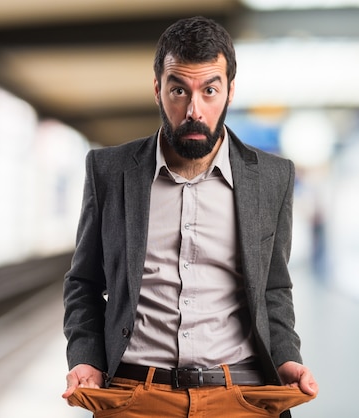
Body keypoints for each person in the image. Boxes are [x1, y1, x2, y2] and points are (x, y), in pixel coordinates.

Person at [61, 16, 318, 418]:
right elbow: (83, 283)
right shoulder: (110, 171)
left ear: (230, 91)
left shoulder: (272, 178)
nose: (193, 109)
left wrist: (286, 357)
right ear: (158, 90)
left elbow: (273, 288)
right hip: (135, 395)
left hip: (241, 395)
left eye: (209, 90)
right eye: (179, 89)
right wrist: (86, 357)